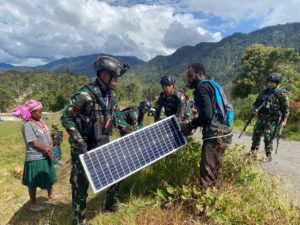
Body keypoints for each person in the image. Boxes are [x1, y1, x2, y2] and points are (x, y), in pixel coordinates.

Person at [61, 56, 129, 225]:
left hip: (102, 142)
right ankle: (79, 220)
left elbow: (116, 115)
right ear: (104, 75)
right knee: (80, 187)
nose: (117, 82)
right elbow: (66, 118)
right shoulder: (84, 95)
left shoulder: (111, 96)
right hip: (84, 147)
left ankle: (110, 203)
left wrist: (127, 128)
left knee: (116, 173)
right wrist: (78, 140)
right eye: (115, 78)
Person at [181, 63, 233, 191]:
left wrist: (190, 125)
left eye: (191, 76)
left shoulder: (202, 87)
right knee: (214, 171)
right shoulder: (212, 85)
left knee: (207, 175)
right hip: (224, 133)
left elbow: (207, 115)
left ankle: (204, 210)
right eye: (188, 77)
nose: (189, 79)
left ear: (201, 74)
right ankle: (213, 201)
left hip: (215, 135)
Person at [11, 100, 57, 212]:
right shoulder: (27, 125)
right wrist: (48, 150)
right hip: (35, 157)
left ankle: (50, 196)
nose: (41, 113)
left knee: (49, 176)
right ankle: (33, 203)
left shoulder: (41, 121)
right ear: (32, 112)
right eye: (39, 112)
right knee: (33, 181)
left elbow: (48, 135)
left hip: (46, 155)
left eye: (41, 111)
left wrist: (51, 145)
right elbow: (34, 143)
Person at [250, 73, 289, 161]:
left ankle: (268, 156)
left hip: (272, 120)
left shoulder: (282, 94)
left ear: (277, 83)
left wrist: (284, 121)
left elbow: (286, 109)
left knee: (268, 138)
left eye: (272, 82)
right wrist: (253, 108)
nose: (270, 84)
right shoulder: (263, 92)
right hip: (261, 118)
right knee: (256, 135)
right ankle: (253, 153)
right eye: (269, 82)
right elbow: (257, 102)